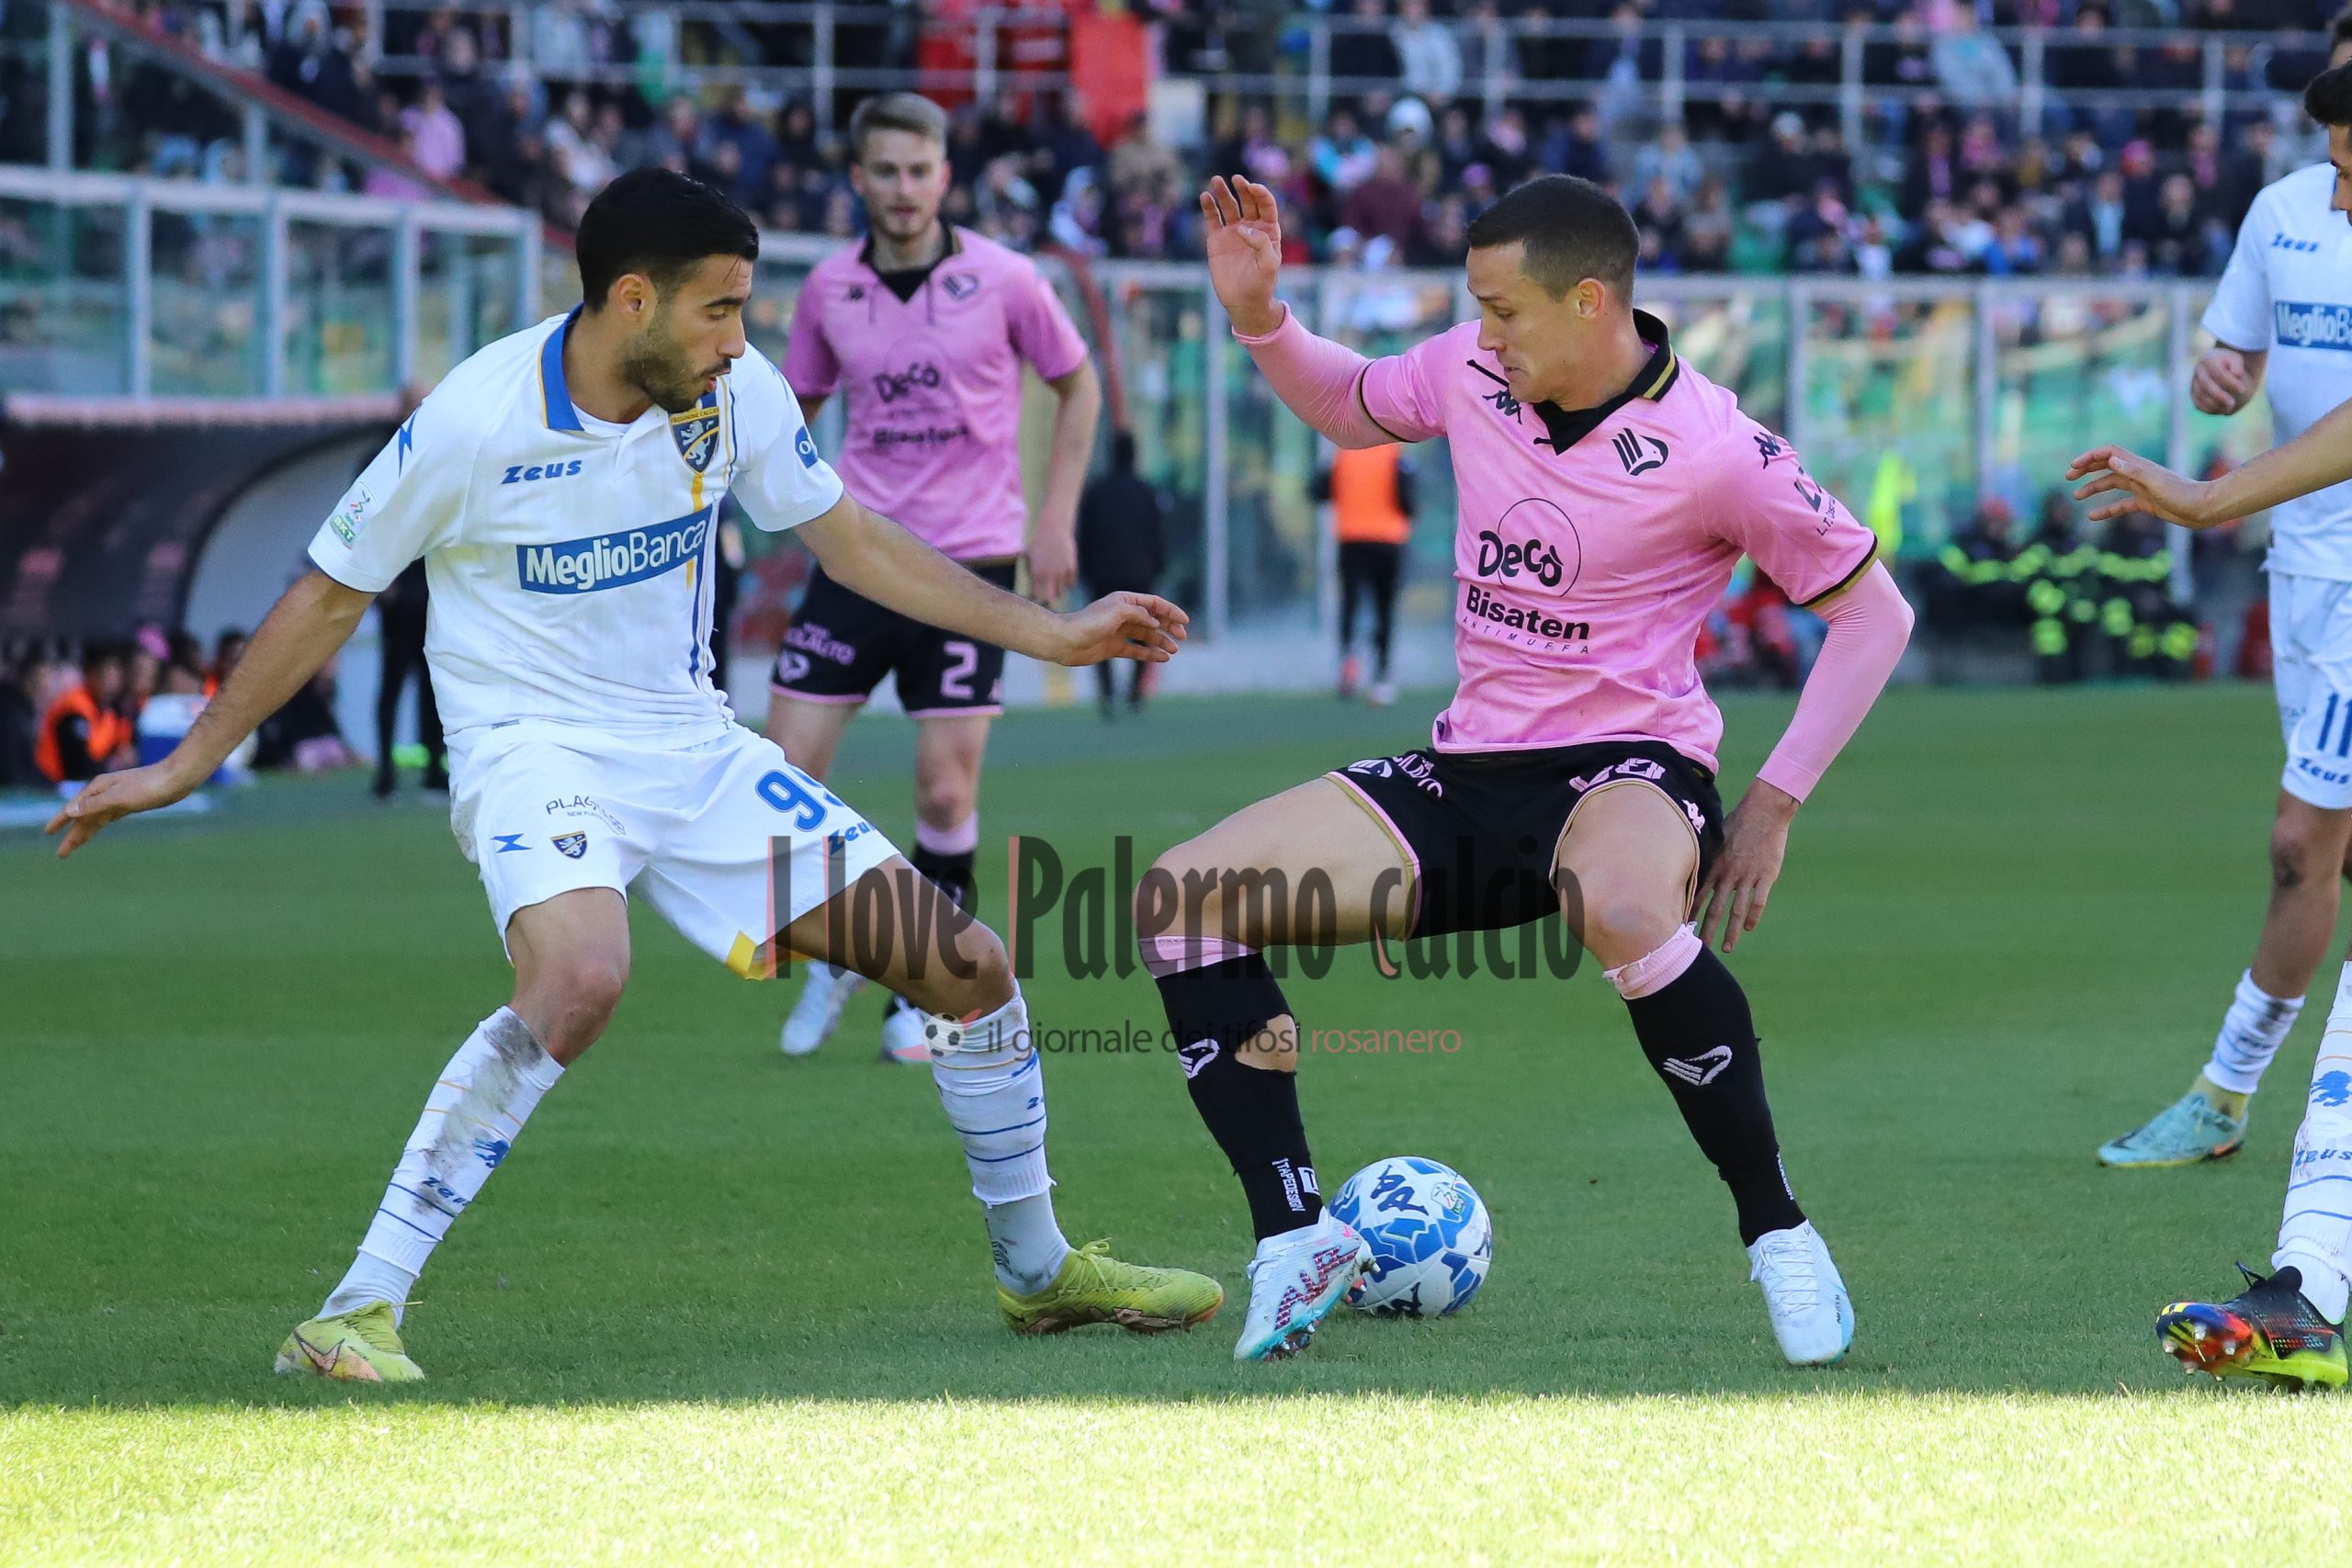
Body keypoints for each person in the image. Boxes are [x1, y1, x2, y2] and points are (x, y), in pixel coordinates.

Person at [48, 168, 1217, 1383]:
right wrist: (186, 760)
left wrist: (1054, 633)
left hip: (694, 749)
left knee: (969, 967)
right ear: (632, 300)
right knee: (580, 978)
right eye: (718, 310)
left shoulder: (734, 395)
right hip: (531, 750)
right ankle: (352, 1314)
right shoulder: (474, 418)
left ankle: (1037, 1272)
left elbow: (852, 538)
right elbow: (330, 591)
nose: (740, 338)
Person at [1164, 174, 1911, 1364]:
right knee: (1183, 900)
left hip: (1629, 767)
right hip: (1467, 773)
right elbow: (1353, 405)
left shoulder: (1719, 449)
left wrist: (1773, 803)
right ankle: (1291, 1238)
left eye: (1505, 309)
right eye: (1478, 307)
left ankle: (1779, 1232)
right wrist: (1263, 315)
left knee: (1622, 906)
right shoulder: (1472, 368)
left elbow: (1874, 614)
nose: (1485, 331)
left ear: (1591, 302)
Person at [2066, 52, 2352, 1394]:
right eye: (2336, 167)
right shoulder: (2286, 211)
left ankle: (2311, 1273)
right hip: (2313, 575)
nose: (2340, 196)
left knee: (2312, 838)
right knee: (2313, 849)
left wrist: (2199, 497)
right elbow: (2242, 371)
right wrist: (2216, 395)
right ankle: (2272, 1190)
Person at [765, 93, 1104, 1065]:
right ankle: (844, 947)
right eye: (885, 171)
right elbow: (793, 415)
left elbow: (1075, 384)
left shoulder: (1004, 279)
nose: (904, 190)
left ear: (945, 176)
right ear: (858, 178)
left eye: (920, 171)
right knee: (780, 778)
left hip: (971, 563)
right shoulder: (830, 291)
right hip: (859, 557)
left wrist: (1053, 514)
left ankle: (925, 993)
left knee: (947, 796)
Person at [1075, 429, 1169, 718]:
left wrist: (1086, 571)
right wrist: (1157, 567)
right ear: (1134, 456)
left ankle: (1107, 694)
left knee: (1101, 634)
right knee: (1142, 633)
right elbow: (1158, 535)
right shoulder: (1146, 491)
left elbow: (1084, 536)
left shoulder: (1096, 492)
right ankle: (1135, 692)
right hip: (1139, 576)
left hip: (1103, 575)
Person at [1315, 442, 1415, 705]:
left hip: (1351, 539)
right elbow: (1408, 502)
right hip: (1387, 541)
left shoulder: (1345, 454)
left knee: (1350, 604)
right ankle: (1381, 676)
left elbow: (1320, 491)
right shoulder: (1394, 454)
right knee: (1385, 609)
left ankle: (1348, 663)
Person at [372, 558, 447, 797]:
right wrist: (381, 584)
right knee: (391, 690)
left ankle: (434, 767)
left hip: (428, 602)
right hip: (399, 607)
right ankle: (385, 771)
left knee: (432, 692)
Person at [34, 645, 131, 789]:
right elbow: (76, 765)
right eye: (104, 675)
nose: (109, 682)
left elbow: (116, 751)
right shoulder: (75, 708)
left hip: (87, 782)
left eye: (114, 676)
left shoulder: (109, 712)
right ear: (90, 674)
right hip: (53, 784)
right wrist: (108, 766)